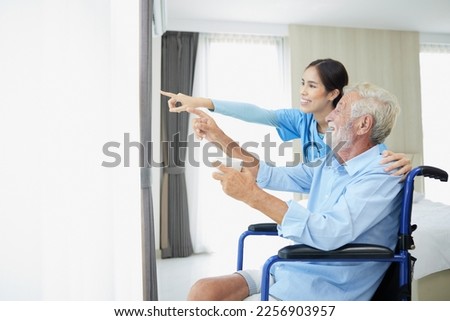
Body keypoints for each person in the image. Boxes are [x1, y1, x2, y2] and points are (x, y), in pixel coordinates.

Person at [185, 82, 404, 301]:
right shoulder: (330, 163)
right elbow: (268, 173)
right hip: (290, 270)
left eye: (339, 109)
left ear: (363, 124)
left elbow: (328, 233)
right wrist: (218, 137)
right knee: (203, 291)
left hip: (322, 288)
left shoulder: (382, 174)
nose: (329, 117)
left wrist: (251, 195)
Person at [161, 58, 411, 175]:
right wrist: (200, 102)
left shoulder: (350, 126)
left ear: (333, 93)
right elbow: (257, 113)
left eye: (312, 86)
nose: (302, 91)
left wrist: (402, 163)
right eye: (303, 83)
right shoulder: (301, 120)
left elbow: (371, 154)